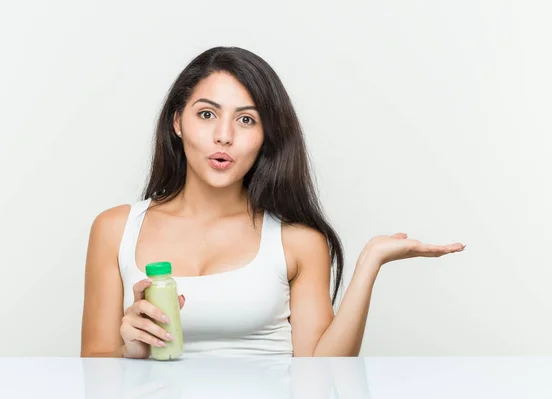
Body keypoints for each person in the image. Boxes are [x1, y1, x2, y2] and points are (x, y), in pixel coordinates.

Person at [80, 46, 465, 359]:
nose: (224, 136)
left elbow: (323, 372)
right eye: (207, 114)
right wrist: (129, 350)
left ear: (267, 135)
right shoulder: (115, 229)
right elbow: (93, 369)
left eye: (246, 120)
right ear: (177, 121)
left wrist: (370, 261)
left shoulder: (297, 241)